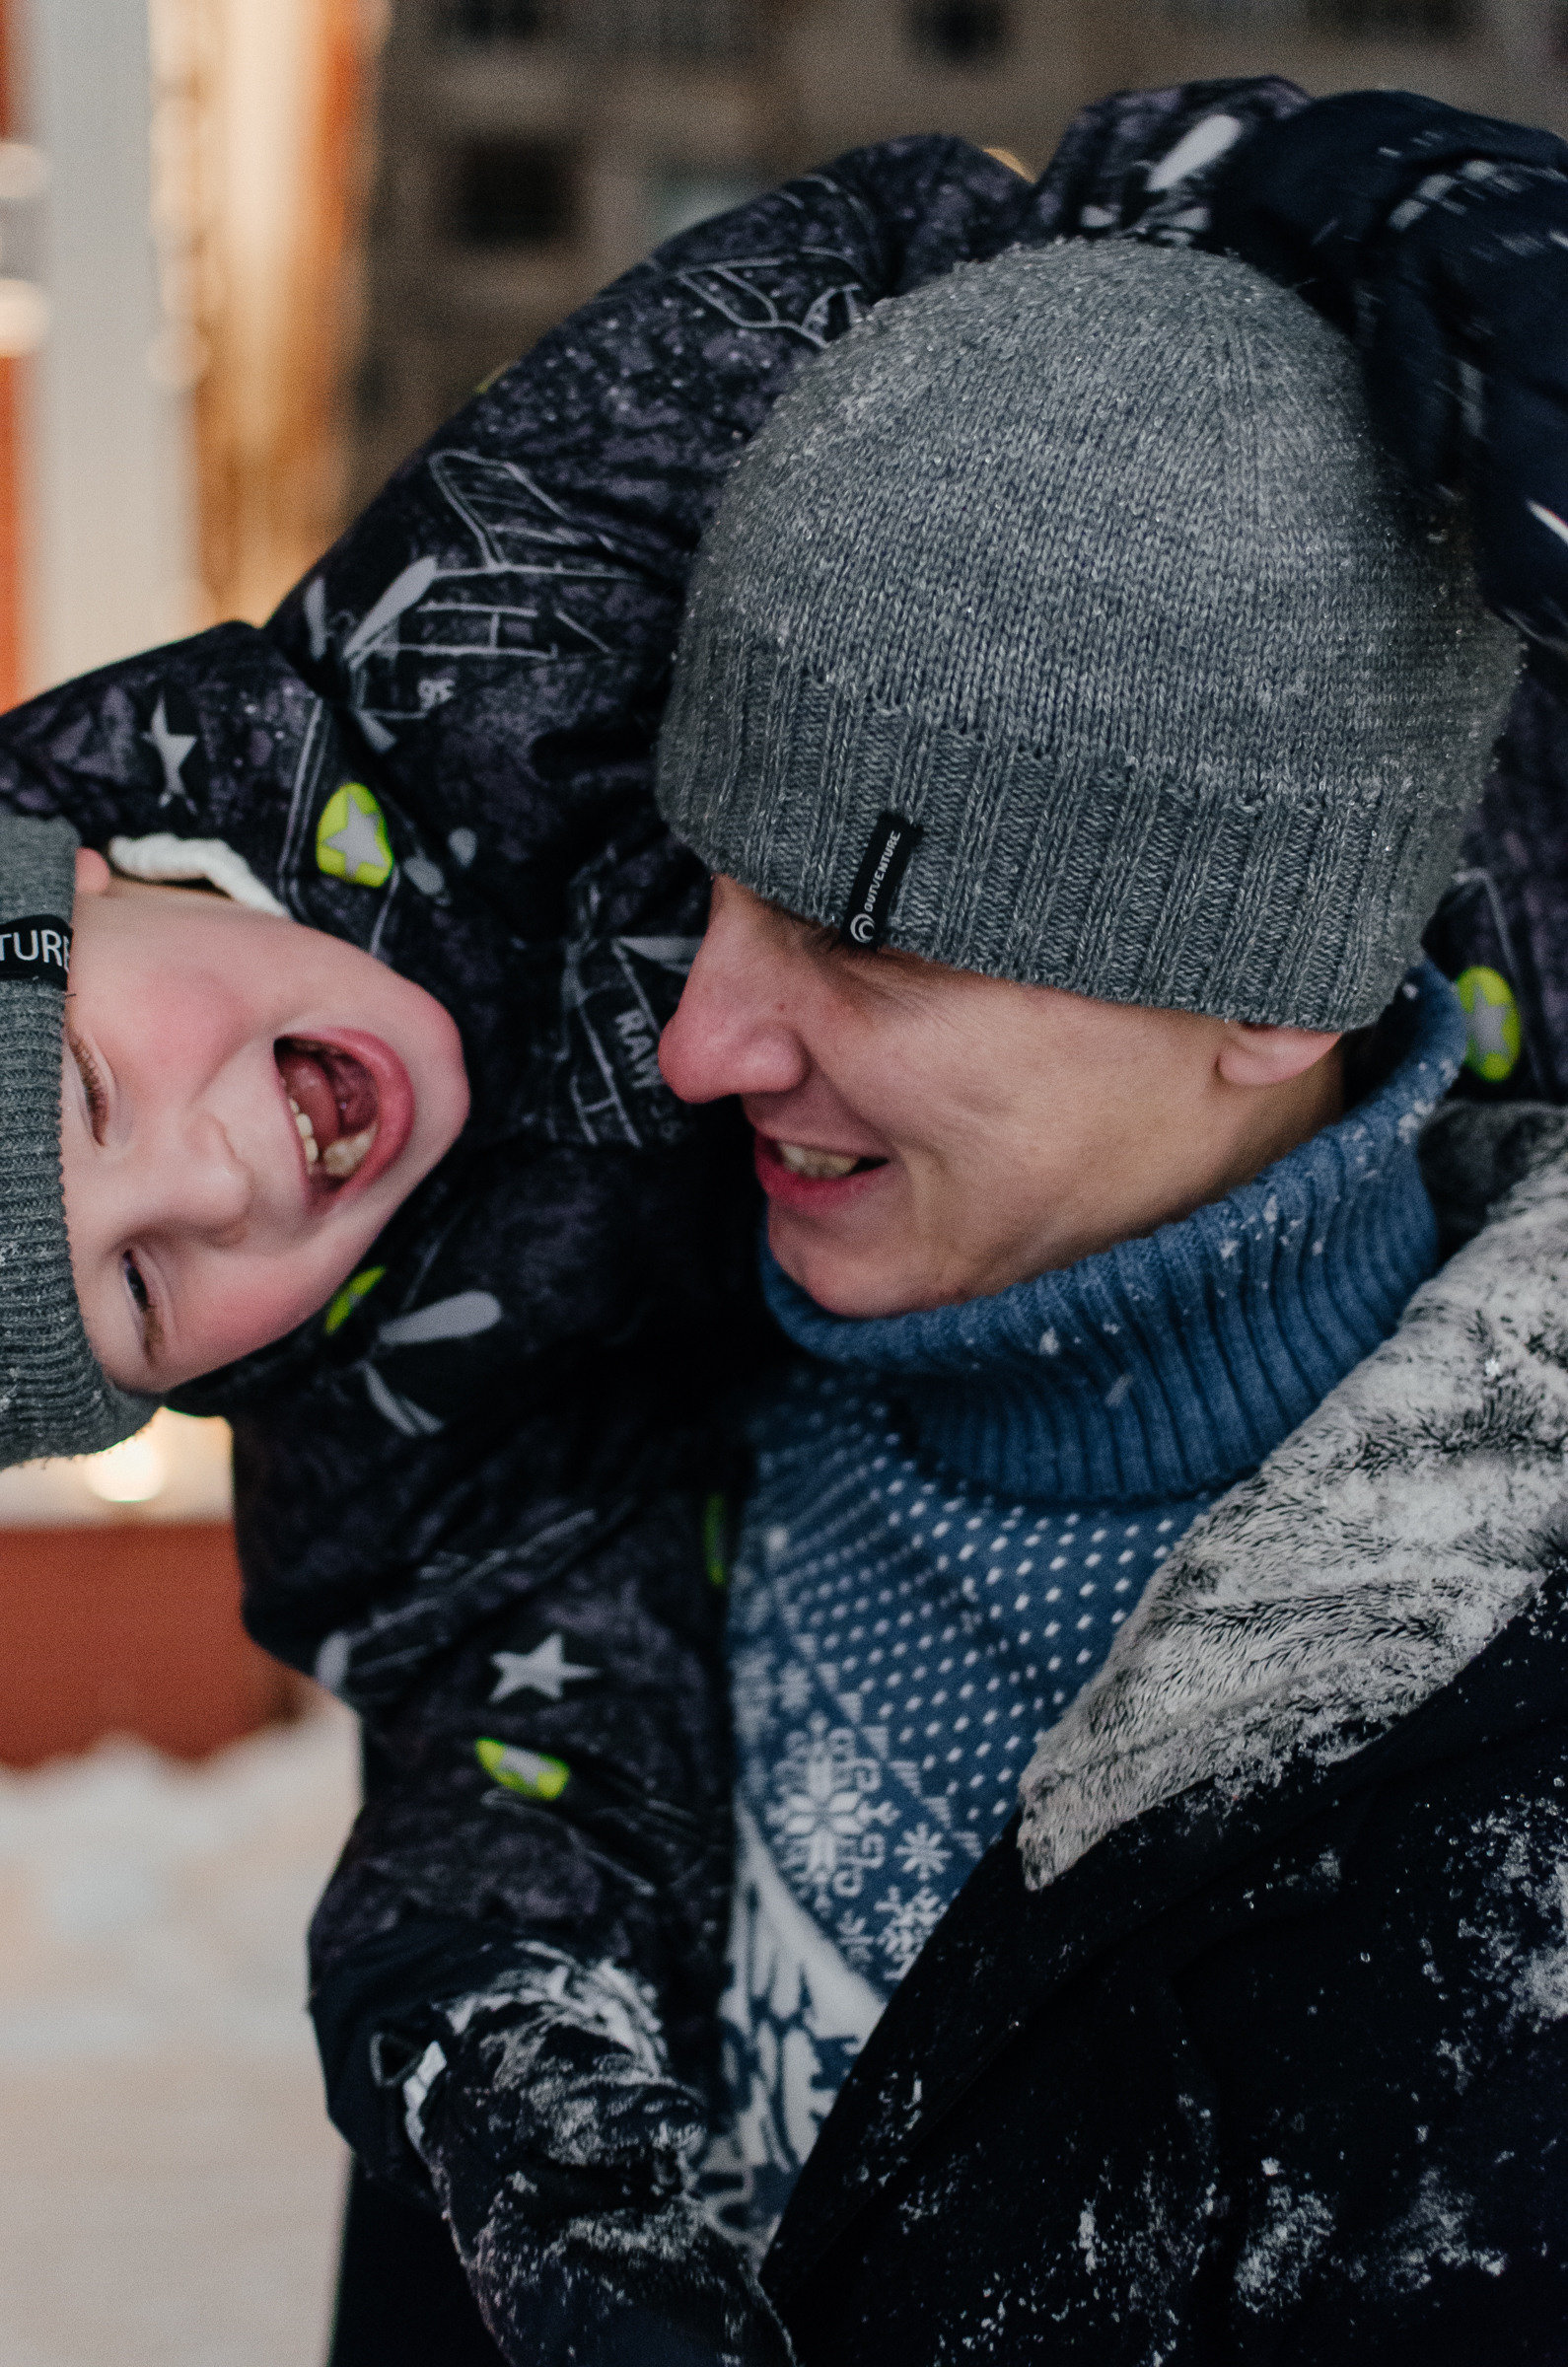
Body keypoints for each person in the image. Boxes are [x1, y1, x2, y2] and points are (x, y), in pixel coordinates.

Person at [0, 74, 1567, 2365]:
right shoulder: (407, 1428)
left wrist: (1342, 189)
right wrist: (533, 2119)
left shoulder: (498, 603)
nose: (223, 1182)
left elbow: (996, 264)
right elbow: (515, 1751)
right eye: (143, 1293)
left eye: (856, 934)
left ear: (91, 870)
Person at [652, 232, 1561, 2360]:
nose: (697, 1044)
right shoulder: (639, 1364)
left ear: (1274, 979)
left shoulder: (1494, 1832)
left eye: (854, 942)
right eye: (706, 886)